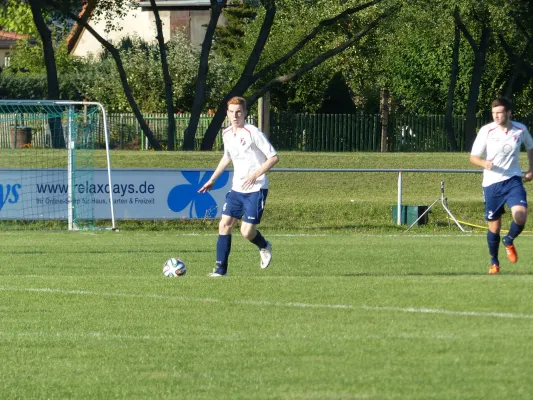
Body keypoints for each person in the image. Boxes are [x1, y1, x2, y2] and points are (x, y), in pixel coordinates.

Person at [198, 96, 279, 277]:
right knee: (224, 224)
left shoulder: (253, 132)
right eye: (232, 112)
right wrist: (212, 179)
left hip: (256, 189)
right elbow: (227, 157)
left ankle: (264, 245)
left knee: (246, 231)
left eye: (239, 112)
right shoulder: (227, 134)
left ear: (245, 113)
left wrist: (255, 174)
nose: (235, 116)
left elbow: (273, 157)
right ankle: (220, 270)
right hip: (237, 189)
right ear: (227, 113)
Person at [470, 97, 533, 274]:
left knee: (520, 216)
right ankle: (494, 262)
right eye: (493, 113)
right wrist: (484, 164)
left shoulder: (520, 129)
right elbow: (473, 157)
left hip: (513, 180)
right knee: (494, 227)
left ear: (508, 113)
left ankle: (510, 240)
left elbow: (530, 147)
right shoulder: (486, 131)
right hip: (491, 184)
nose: (496, 116)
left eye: (499, 112)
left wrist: (531, 169)